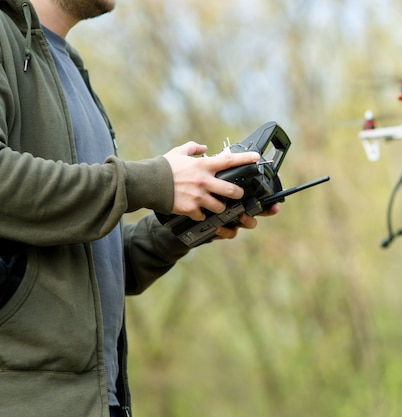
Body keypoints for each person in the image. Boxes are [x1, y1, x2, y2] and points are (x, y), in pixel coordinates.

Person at [0, 0, 280, 416]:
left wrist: (184, 225)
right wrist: (154, 181)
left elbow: (96, 268)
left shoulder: (74, 71)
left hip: (103, 400)